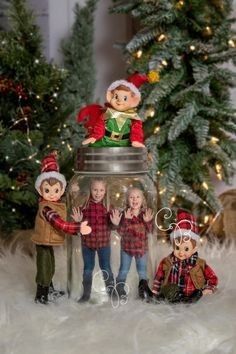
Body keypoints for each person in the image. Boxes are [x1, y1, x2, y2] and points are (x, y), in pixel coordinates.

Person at [31, 151, 91, 305]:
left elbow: (64, 201)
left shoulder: (56, 202)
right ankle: (41, 295)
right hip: (43, 241)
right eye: (47, 191)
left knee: (50, 265)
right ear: (40, 190)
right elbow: (60, 224)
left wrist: (75, 188)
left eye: (56, 190)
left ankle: (49, 289)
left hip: (47, 241)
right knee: (45, 267)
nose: (52, 194)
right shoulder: (46, 208)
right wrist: (78, 228)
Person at [152, 209, 218, 304]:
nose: (181, 252)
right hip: (172, 295)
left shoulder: (200, 264)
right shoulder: (167, 262)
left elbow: (212, 278)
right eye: (177, 248)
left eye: (186, 249)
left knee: (193, 297)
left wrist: (209, 289)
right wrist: (155, 292)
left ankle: (190, 299)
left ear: (194, 249)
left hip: (191, 297)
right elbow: (158, 278)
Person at [72, 178, 120, 302]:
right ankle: (86, 294)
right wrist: (78, 222)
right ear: (90, 190)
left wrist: (115, 224)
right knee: (88, 269)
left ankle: (111, 293)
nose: (98, 193)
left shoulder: (108, 206)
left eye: (101, 190)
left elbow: (112, 226)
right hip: (87, 243)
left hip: (104, 244)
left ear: (105, 191)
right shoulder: (85, 205)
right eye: (95, 190)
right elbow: (79, 225)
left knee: (106, 268)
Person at [77, 73, 148, 148]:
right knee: (94, 148)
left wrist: (136, 141)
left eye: (125, 98)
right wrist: (95, 136)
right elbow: (100, 125)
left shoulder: (134, 117)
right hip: (106, 141)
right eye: (116, 97)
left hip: (124, 143)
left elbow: (137, 131)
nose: (119, 101)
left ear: (133, 101)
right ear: (110, 97)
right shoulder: (108, 113)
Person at [114, 187, 154, 299]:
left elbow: (150, 231)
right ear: (127, 200)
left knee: (142, 271)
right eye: (131, 197)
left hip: (142, 249)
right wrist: (125, 220)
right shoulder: (124, 213)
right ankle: (119, 289)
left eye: (137, 197)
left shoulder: (145, 214)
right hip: (127, 249)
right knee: (123, 270)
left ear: (142, 200)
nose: (134, 199)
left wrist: (147, 222)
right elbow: (120, 232)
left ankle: (143, 291)